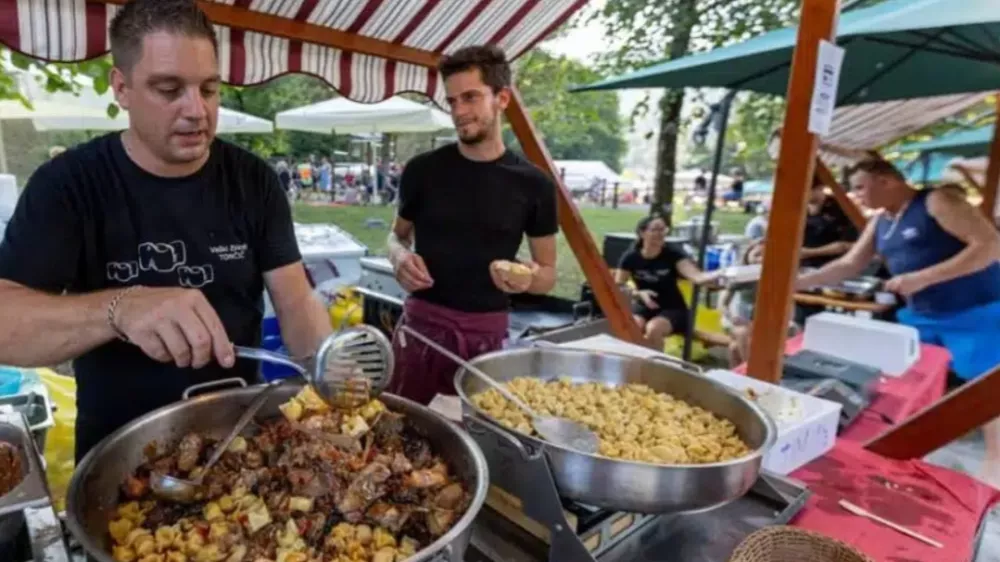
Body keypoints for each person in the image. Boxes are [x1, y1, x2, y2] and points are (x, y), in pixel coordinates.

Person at [0, 0, 333, 462]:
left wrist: (331, 376)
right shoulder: (69, 185)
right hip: (120, 454)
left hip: (239, 441)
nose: (196, 110)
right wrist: (120, 307)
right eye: (169, 89)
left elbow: (295, 300)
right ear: (122, 88)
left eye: (209, 89)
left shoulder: (252, 179)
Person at [796, 159, 1000, 485]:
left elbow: (990, 245)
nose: (856, 194)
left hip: (976, 311)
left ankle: (994, 468)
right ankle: (909, 453)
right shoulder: (880, 222)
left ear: (887, 180)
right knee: (908, 381)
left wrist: (923, 277)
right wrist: (796, 282)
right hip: (922, 315)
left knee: (987, 391)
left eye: (861, 187)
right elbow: (849, 264)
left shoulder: (938, 201)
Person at [387, 45, 558, 406]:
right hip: (422, 329)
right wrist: (398, 258)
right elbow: (396, 236)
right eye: (451, 101)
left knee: (478, 432)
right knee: (399, 425)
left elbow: (548, 275)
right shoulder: (422, 171)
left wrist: (528, 278)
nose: (459, 112)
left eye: (470, 97)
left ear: (502, 98)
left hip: (487, 333)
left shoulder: (534, 184)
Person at [615, 214, 721, 351]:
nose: (661, 234)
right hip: (645, 306)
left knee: (654, 328)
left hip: (673, 308)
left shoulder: (673, 254)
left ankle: (657, 367)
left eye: (663, 230)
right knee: (633, 326)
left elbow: (696, 276)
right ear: (642, 233)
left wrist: (719, 276)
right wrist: (638, 294)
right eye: (655, 230)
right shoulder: (630, 257)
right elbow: (619, 287)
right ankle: (637, 362)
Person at [801, 175, 857, 269]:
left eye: (805, 190)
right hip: (804, 267)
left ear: (820, 188)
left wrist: (810, 252)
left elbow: (847, 244)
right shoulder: (797, 210)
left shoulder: (841, 209)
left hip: (834, 267)